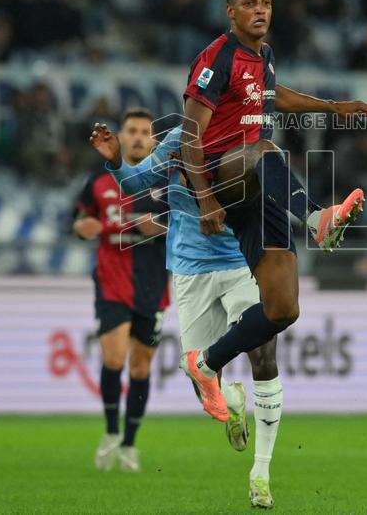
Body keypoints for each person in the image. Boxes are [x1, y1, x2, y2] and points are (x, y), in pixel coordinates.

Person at [177, 0, 367, 421]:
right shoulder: (216, 58)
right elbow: (189, 134)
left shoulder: (264, 56)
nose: (260, 9)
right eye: (250, 3)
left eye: (266, 2)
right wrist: (206, 199)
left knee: (283, 308)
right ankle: (315, 220)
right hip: (222, 176)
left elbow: (275, 98)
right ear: (230, 12)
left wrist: (334, 107)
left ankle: (206, 363)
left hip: (258, 184)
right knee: (265, 149)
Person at [90, 122, 282, 508]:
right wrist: (115, 163)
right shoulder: (179, 140)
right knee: (199, 376)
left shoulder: (250, 138)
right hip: (190, 271)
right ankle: (231, 400)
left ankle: (260, 474)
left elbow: (273, 195)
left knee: (263, 355)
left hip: (240, 263)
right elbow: (135, 183)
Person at [73, 108, 168, 473]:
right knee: (113, 358)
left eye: (146, 131)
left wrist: (157, 227)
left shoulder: (168, 181)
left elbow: (185, 228)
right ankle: (111, 432)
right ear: (122, 136)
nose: (139, 137)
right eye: (132, 130)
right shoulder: (98, 182)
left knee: (141, 365)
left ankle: (130, 443)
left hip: (152, 281)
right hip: (112, 276)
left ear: (153, 139)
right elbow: (81, 220)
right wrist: (86, 228)